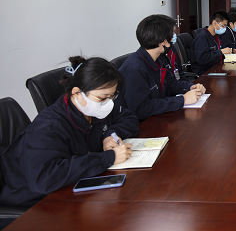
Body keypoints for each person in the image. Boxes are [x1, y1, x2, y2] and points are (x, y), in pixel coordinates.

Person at [0, 56, 138, 209]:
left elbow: (129, 118)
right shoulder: (49, 127)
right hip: (36, 202)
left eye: (112, 96)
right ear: (77, 92)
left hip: (76, 187)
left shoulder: (93, 109)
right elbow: (44, 178)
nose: (108, 103)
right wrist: (108, 158)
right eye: (102, 98)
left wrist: (110, 134)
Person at [119, 14, 206, 121]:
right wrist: (182, 100)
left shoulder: (159, 59)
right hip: (142, 124)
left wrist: (190, 87)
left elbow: (170, 84)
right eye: (172, 33)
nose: (174, 36)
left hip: (158, 117)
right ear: (162, 41)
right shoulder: (134, 69)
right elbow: (141, 109)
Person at [190, 11, 232, 75]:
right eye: (223, 25)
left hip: (216, 66)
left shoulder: (216, 36)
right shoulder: (202, 37)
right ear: (214, 22)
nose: (224, 28)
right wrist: (220, 52)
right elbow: (201, 59)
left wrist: (232, 50)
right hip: (205, 72)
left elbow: (220, 49)